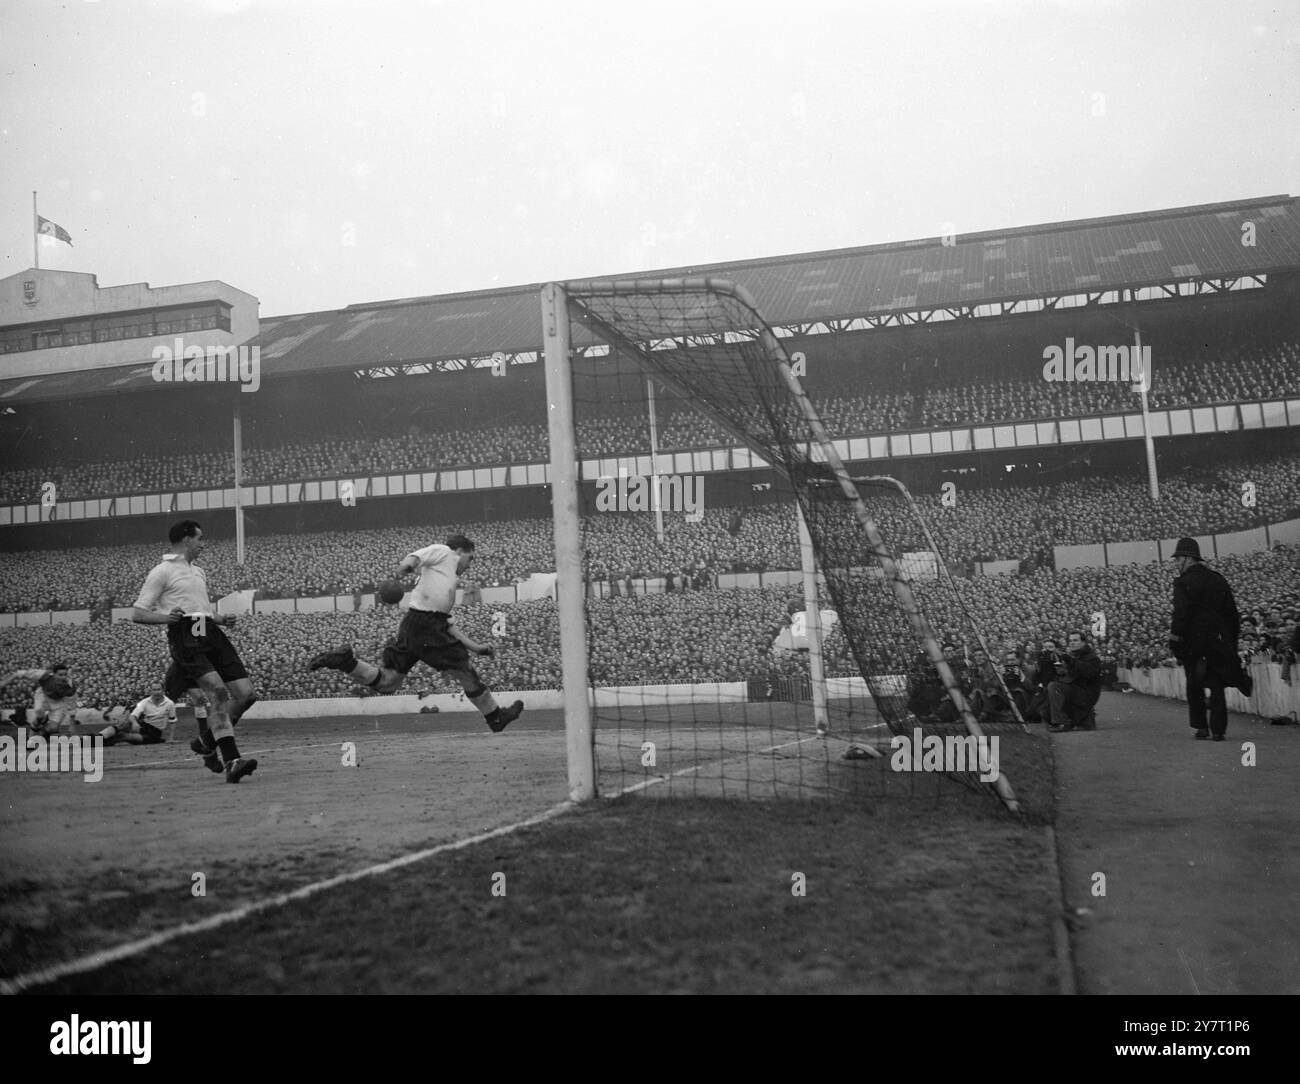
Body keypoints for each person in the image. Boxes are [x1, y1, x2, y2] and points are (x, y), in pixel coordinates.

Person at [308, 533, 523, 733]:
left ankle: (346, 662)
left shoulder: (444, 579)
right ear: (460, 550)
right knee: (465, 672)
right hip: (426, 625)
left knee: (388, 683)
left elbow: (447, 624)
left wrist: (476, 647)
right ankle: (495, 717)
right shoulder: (445, 552)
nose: (470, 564)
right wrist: (404, 568)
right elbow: (416, 557)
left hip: (417, 625)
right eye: (471, 558)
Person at [132, 520, 260, 782]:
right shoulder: (162, 571)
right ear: (186, 540)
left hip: (206, 629)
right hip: (185, 634)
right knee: (217, 692)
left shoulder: (198, 571)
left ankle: (206, 742)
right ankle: (232, 761)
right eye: (199, 538)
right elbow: (138, 612)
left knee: (246, 695)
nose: (203, 543)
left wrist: (220, 619)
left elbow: (199, 608)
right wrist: (167, 618)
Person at [1168, 537, 1248, 742]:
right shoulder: (1218, 579)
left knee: (1194, 685)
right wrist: (1230, 641)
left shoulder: (1182, 583)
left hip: (1193, 643)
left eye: (1178, 559)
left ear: (1187, 558)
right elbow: (1232, 614)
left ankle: (1201, 727)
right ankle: (1219, 731)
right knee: (1217, 684)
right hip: (1218, 642)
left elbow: (1181, 615)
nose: (1176, 563)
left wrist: (1175, 641)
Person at [1, 663, 78, 736]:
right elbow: (19, 673)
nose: (63, 677)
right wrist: (4, 682)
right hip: (43, 696)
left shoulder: (70, 686)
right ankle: (35, 728)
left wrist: (72, 724)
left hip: (59, 701)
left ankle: (42, 733)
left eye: (65, 674)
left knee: (53, 728)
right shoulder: (45, 675)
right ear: (53, 674)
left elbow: (72, 704)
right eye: (60, 675)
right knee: (39, 714)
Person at [1047, 631, 1103, 732]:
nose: (1072, 643)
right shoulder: (1074, 656)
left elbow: (1088, 673)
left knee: (1054, 687)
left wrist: (1070, 661)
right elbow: (1071, 676)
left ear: (1083, 642)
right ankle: (1066, 721)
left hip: (1087, 693)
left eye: (1075, 640)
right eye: (1070, 640)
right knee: (1053, 686)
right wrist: (1062, 672)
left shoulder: (1093, 658)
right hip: (1076, 690)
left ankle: (1062, 722)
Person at [100, 689, 177, 746]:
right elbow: (132, 716)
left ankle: (99, 740)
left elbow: (172, 720)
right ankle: (98, 737)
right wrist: (134, 723)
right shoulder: (142, 704)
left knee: (124, 735)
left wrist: (171, 738)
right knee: (122, 728)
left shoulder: (169, 704)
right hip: (141, 727)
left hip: (153, 734)